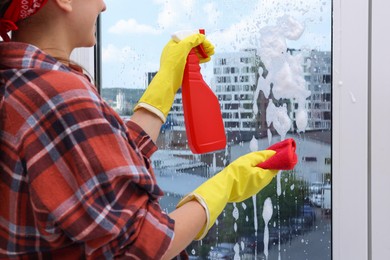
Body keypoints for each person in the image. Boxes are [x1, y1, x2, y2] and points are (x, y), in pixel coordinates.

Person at [0, 0, 296, 259]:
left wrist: (167, 78)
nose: (103, 6)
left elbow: (99, 168)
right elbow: (143, 245)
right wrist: (227, 185)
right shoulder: (59, 94)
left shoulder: (21, 83)